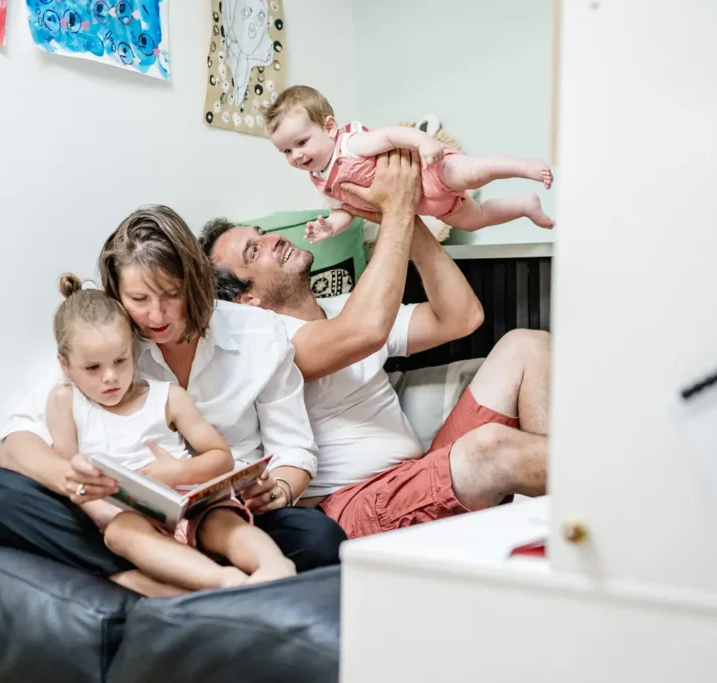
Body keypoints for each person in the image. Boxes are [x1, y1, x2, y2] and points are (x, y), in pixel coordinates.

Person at [0, 206, 347, 595]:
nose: (155, 314)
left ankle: (137, 581)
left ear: (196, 282)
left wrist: (278, 490)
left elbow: (294, 450)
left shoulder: (260, 334)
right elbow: (16, 441)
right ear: (117, 293)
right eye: (138, 298)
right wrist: (72, 479)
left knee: (319, 538)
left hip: (223, 511)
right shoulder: (108, 344)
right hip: (127, 518)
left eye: (171, 294)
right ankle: (158, 579)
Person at [200, 148, 550, 539]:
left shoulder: (342, 307)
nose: (274, 241)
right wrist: (396, 206)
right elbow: (364, 332)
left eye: (262, 235)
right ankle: (608, 486)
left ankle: (560, 527)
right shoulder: (268, 344)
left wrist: (402, 214)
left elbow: (462, 317)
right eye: (255, 251)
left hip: (420, 474)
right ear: (248, 301)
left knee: (527, 345)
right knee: (490, 449)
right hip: (357, 503)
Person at [44, 273, 294, 595]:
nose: (110, 378)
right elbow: (68, 472)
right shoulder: (65, 402)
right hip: (124, 513)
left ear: (133, 350)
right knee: (121, 533)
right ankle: (226, 583)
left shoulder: (167, 396)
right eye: (92, 368)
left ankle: (274, 564)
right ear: (65, 365)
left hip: (188, 499)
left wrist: (178, 472)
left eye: (120, 361)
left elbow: (221, 457)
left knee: (222, 522)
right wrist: (103, 509)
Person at [263, 85, 555, 244]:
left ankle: (524, 166)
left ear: (329, 126)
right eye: (286, 151)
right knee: (476, 217)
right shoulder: (321, 180)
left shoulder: (350, 144)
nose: (296, 156)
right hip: (431, 204)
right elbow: (344, 211)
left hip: (430, 170)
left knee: (472, 174)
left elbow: (392, 135)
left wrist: (423, 142)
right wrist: (330, 228)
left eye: (301, 143)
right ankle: (524, 206)